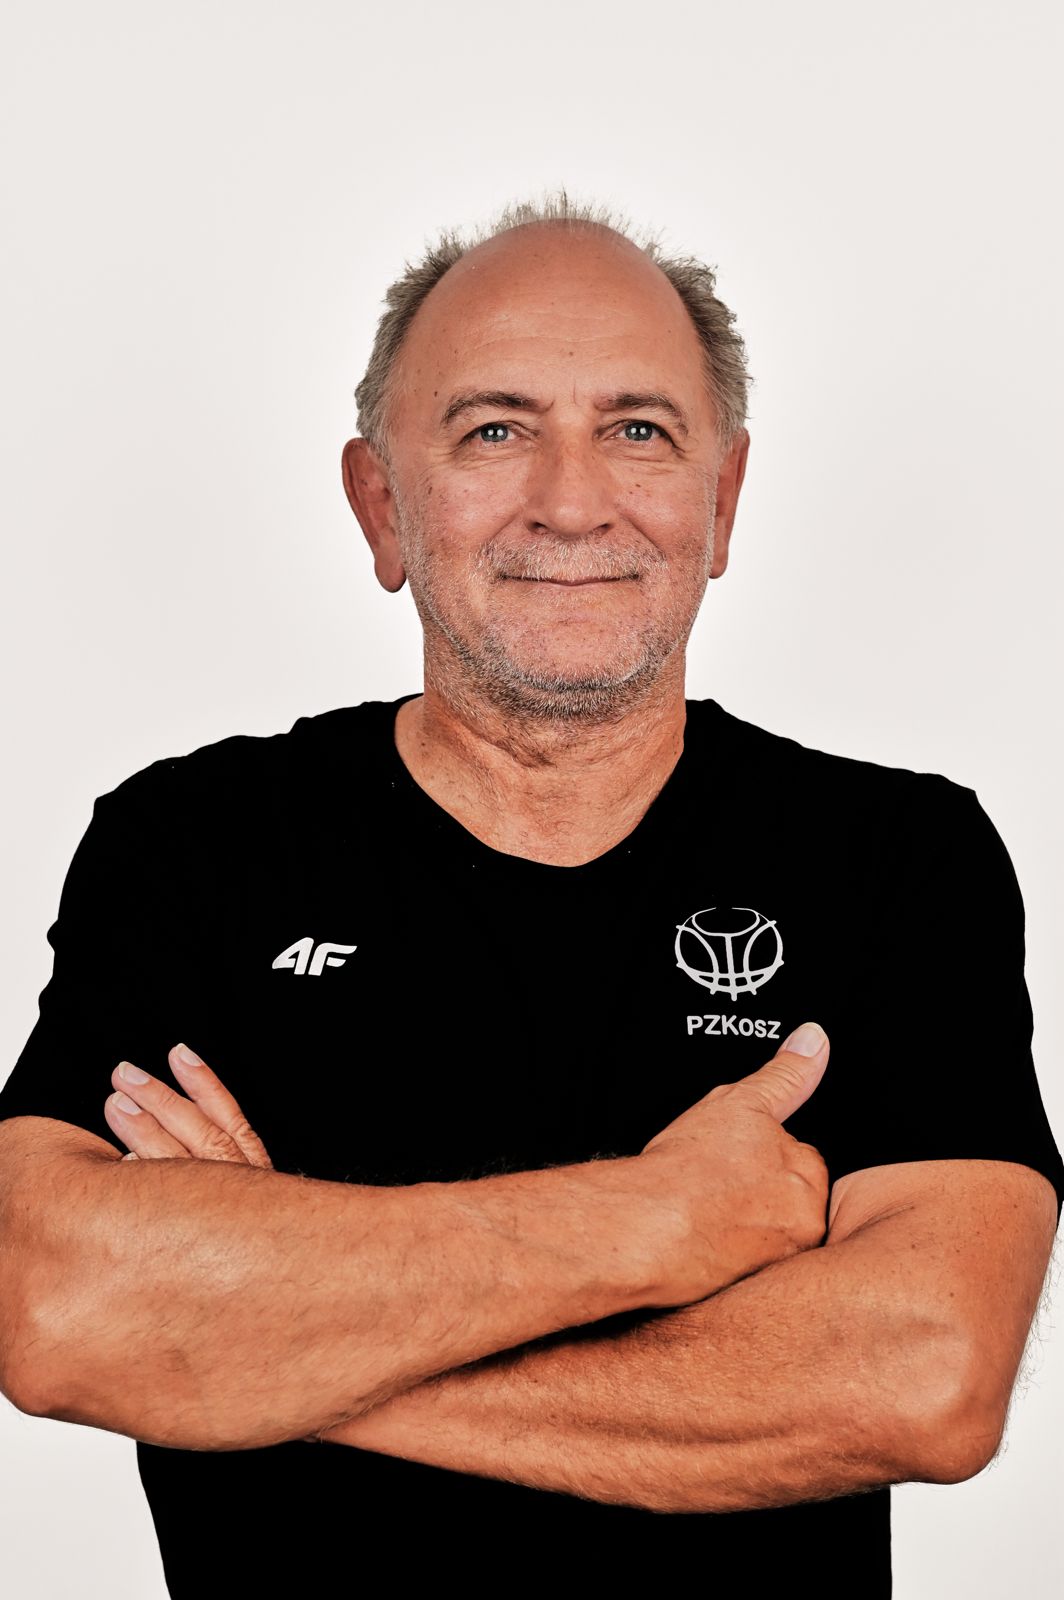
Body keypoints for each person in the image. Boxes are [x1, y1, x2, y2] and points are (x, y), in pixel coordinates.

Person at [0, 190, 1060, 1598]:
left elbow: (923, 1382)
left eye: (640, 431)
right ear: (382, 504)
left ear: (723, 502)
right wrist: (652, 1220)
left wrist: (259, 1345)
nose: (571, 501)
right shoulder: (195, 845)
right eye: (494, 431)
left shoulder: (897, 857)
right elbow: (57, 1306)